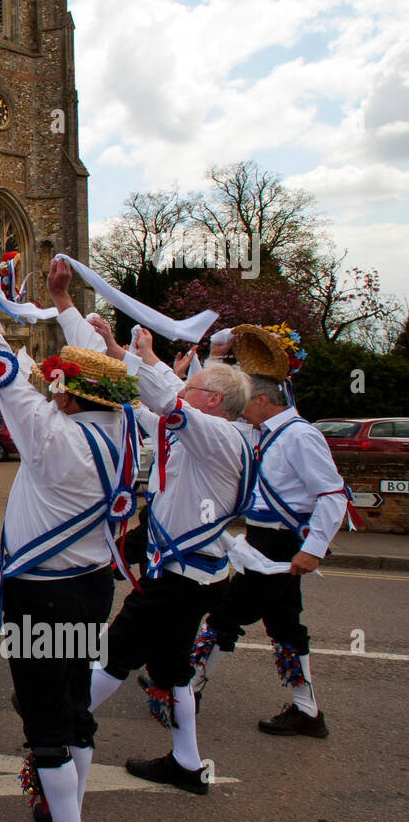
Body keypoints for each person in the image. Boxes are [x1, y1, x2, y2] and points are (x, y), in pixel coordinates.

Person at [0, 258, 144, 822]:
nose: (51, 391)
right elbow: (109, 368)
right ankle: (65, 817)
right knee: (73, 713)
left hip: (41, 595)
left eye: (60, 386)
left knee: (47, 723)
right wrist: (62, 302)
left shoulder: (51, 436)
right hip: (90, 586)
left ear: (73, 397)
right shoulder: (122, 426)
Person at [88, 326, 255, 794]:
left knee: (113, 654)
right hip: (192, 573)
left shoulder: (218, 436)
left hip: (183, 579)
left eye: (194, 388)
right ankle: (186, 763)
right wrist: (122, 355)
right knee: (173, 669)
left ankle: (62, 722)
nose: (185, 389)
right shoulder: (206, 436)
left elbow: (166, 401)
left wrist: (150, 358)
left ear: (215, 402)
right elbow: (148, 412)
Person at [196, 337, 350, 736]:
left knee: (226, 614)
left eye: (245, 401)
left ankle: (187, 686)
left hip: (279, 545)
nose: (240, 410)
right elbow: (214, 421)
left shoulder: (300, 436)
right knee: (284, 625)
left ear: (264, 400)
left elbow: (332, 494)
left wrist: (313, 549)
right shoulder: (261, 432)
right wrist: (216, 354)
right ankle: (308, 712)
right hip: (261, 541)